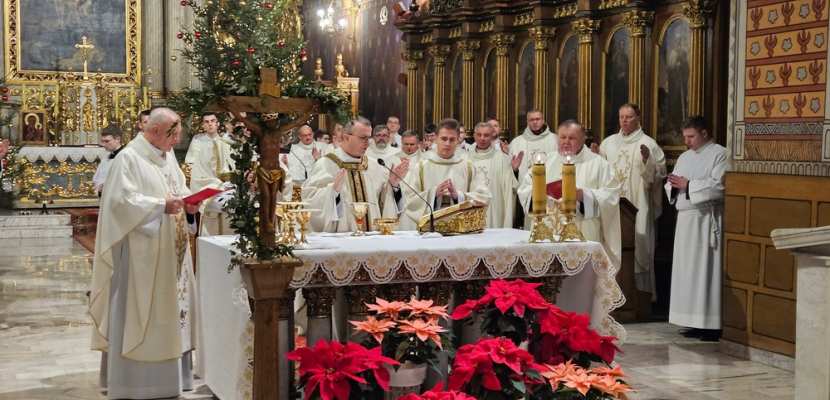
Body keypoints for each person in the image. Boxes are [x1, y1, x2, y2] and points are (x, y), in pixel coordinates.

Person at [89, 107, 200, 399]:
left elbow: (179, 188)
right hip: (141, 256)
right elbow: (120, 203)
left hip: (172, 252)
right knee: (141, 313)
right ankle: (137, 384)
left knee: (174, 310)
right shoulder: (128, 158)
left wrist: (189, 205)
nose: (176, 142)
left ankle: (175, 379)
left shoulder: (167, 155)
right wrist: (160, 205)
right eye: (172, 135)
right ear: (154, 132)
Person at [517, 120, 621, 269]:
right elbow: (525, 189)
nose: (566, 142)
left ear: (583, 139)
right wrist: (542, 196)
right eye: (562, 137)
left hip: (582, 233)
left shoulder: (598, 164)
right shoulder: (545, 161)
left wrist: (583, 195)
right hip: (547, 233)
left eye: (571, 138)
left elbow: (611, 196)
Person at [665, 116, 728, 341]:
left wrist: (688, 185)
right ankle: (691, 321)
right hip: (685, 220)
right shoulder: (684, 157)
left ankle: (709, 324)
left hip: (705, 220)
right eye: (685, 137)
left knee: (704, 271)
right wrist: (673, 184)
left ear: (704, 133)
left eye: (690, 137)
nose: (687, 142)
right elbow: (673, 183)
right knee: (687, 272)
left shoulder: (720, 153)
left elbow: (720, 186)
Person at [600, 103, 667, 297]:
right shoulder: (608, 143)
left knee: (639, 243)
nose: (624, 121)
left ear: (638, 118)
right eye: (621, 117)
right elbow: (600, 171)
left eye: (628, 117)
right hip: (613, 206)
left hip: (639, 205)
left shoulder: (648, 143)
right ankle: (610, 294)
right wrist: (595, 156)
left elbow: (660, 174)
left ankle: (640, 296)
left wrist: (648, 161)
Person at [302, 116, 407, 232]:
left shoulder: (375, 166)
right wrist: (332, 191)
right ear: (346, 137)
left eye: (369, 138)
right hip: (340, 238)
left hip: (372, 237)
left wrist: (393, 185)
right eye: (363, 138)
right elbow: (309, 202)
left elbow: (384, 205)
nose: (367, 143)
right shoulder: (327, 164)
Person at [400, 118, 491, 230]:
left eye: (452, 139)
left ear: (458, 141)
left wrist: (458, 196)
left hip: (461, 231)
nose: (447, 143)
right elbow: (409, 199)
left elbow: (484, 197)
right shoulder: (421, 167)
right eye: (444, 139)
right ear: (436, 139)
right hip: (429, 232)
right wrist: (433, 194)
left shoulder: (468, 167)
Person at [184, 112, 235, 235]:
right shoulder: (197, 141)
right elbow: (190, 163)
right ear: (203, 125)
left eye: (212, 121)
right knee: (211, 204)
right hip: (203, 183)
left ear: (217, 124)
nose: (210, 124)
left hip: (224, 184)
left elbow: (232, 164)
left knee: (229, 203)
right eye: (206, 122)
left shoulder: (225, 141)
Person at [510, 110, 558, 227]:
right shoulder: (517, 142)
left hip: (550, 194)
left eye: (538, 119)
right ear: (527, 122)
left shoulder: (555, 140)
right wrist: (514, 170)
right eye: (532, 120)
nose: (535, 122)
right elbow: (510, 171)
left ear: (543, 120)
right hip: (525, 193)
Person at [468, 122, 516, 228]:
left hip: (495, 211)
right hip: (471, 210)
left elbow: (509, 191)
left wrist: (514, 170)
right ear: (474, 136)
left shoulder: (502, 159)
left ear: (492, 136)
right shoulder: (466, 159)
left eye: (486, 135)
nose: (482, 138)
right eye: (479, 135)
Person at [93, 124, 126, 196]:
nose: (103, 144)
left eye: (107, 141)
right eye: (102, 141)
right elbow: (96, 179)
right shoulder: (106, 158)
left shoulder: (126, 157)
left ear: (118, 139)